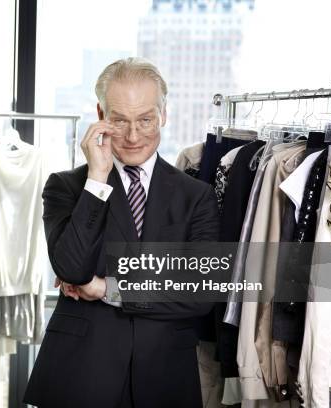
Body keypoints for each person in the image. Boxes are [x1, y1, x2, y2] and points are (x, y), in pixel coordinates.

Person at [23, 57, 220, 408]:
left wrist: (104, 287)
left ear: (164, 114)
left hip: (166, 376)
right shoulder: (67, 187)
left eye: (145, 120)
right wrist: (96, 180)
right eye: (119, 121)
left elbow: (200, 292)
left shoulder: (196, 196)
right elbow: (72, 268)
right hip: (82, 373)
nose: (132, 136)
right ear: (101, 114)